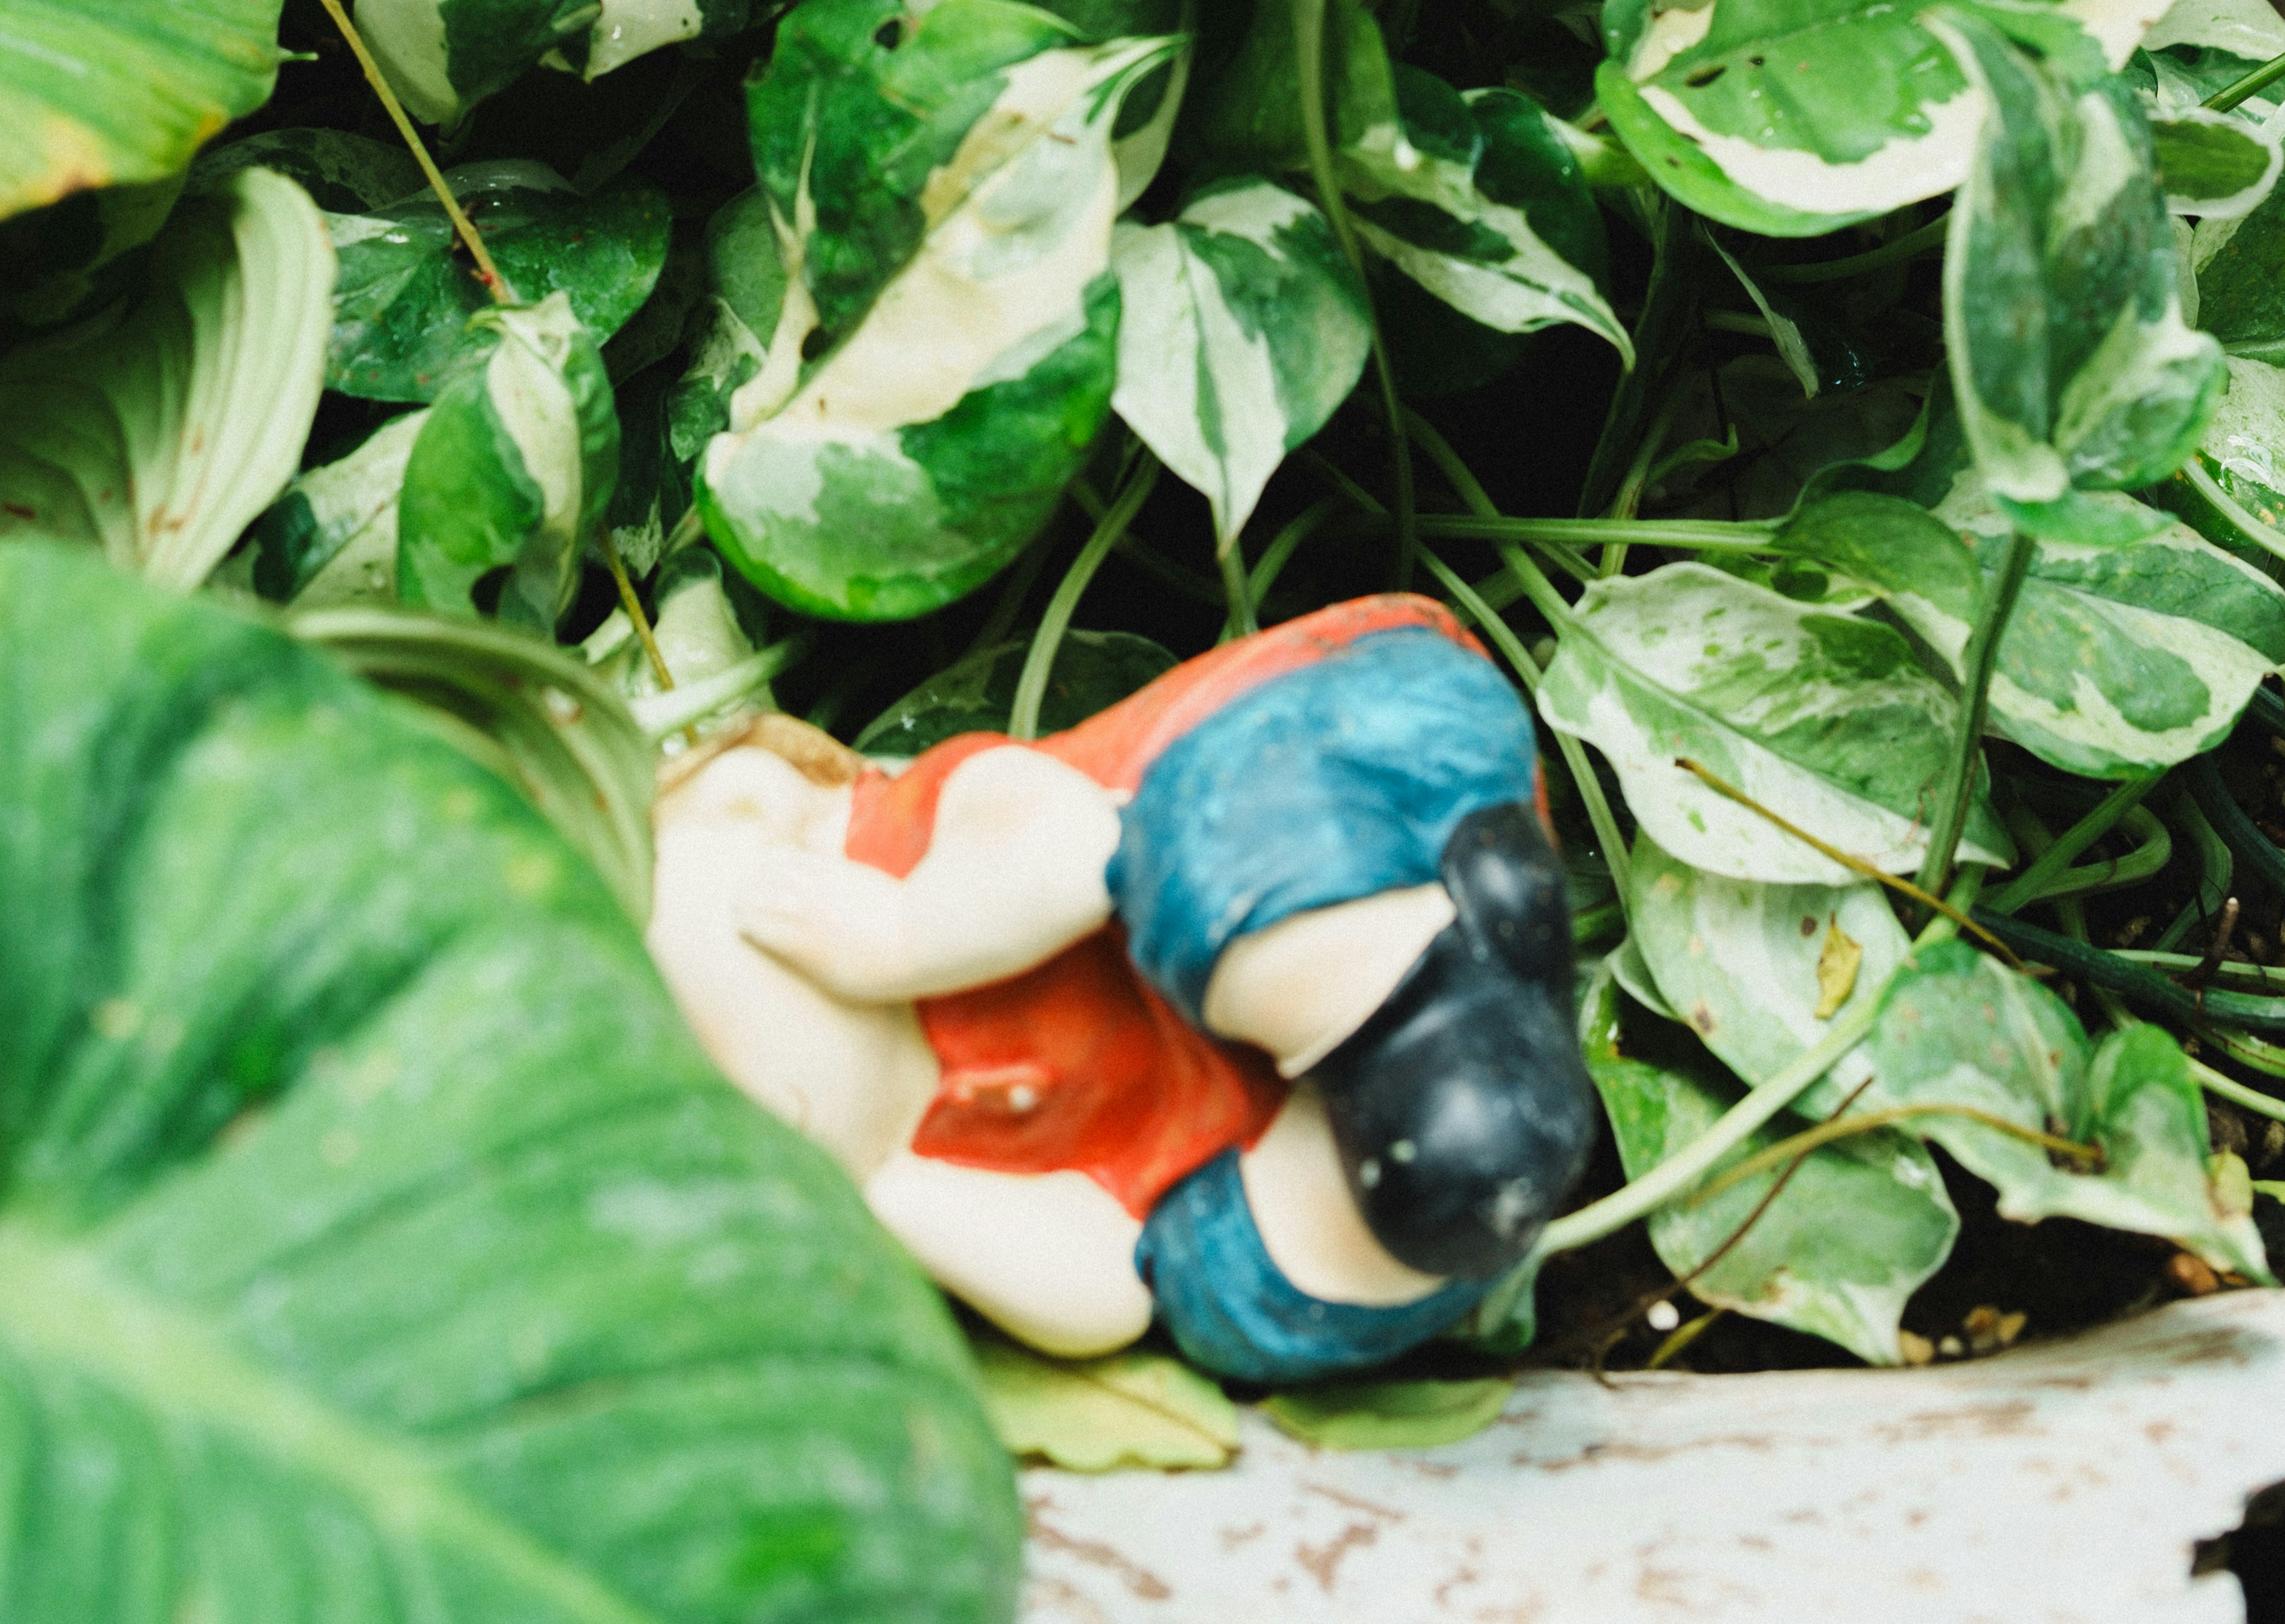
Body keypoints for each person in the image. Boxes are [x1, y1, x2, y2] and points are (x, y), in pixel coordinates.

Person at [647, 591, 1597, 1381]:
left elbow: (1072, 851)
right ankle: (1456, 1140)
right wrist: (891, 1194)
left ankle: (1418, 987)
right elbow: (1104, 1295)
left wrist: (904, 936)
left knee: (1208, 882)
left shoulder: (900, 845)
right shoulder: (928, 1153)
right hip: (1267, 1116)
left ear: (755, 813)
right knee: (1255, 1292)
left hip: (1341, 755)